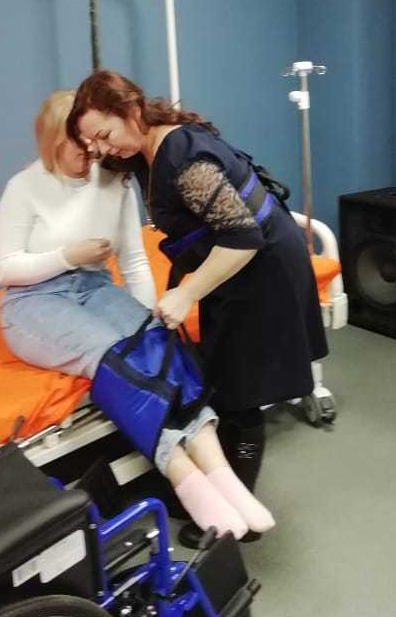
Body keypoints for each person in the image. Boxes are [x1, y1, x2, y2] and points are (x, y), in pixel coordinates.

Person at [0, 89, 274, 541]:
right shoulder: (24, 188)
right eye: (80, 147)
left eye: (95, 144)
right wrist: (68, 255)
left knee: (157, 343)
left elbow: (135, 261)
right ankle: (187, 480)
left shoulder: (112, 181)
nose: (93, 155)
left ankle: (223, 476)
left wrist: (148, 323)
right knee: (117, 358)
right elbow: (4, 270)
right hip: (32, 301)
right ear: (53, 142)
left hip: (94, 286)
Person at [68, 70, 328, 543]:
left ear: (130, 110)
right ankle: (221, 492)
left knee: (241, 393)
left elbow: (243, 237)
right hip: (231, 270)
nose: (103, 149)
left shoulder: (183, 158)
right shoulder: (145, 150)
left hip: (261, 269)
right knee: (223, 380)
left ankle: (236, 525)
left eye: (104, 135)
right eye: (93, 143)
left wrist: (185, 293)